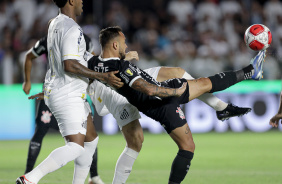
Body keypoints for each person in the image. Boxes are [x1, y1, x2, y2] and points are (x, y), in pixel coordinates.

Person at [87, 26, 266, 184]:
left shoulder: (95, 64)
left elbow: (99, 63)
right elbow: (149, 89)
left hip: (154, 106)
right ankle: (250, 72)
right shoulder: (121, 68)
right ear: (115, 45)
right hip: (163, 97)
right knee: (204, 83)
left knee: (188, 146)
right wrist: (175, 93)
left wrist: (124, 56)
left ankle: (224, 106)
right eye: (124, 42)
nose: (127, 46)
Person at [16, 0, 122, 183]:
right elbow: (69, 65)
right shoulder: (72, 29)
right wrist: (102, 77)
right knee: (75, 147)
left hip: (63, 90)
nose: (83, 2)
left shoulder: (54, 23)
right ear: (71, 1)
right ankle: (29, 179)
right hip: (67, 93)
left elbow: (67, 61)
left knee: (91, 140)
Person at [22, 34, 104, 184]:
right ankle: (29, 176)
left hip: (76, 94)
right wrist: (27, 81)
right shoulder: (48, 40)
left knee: (90, 137)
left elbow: (91, 63)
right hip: (57, 93)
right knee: (74, 145)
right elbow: (29, 56)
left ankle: (94, 176)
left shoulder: (84, 40)